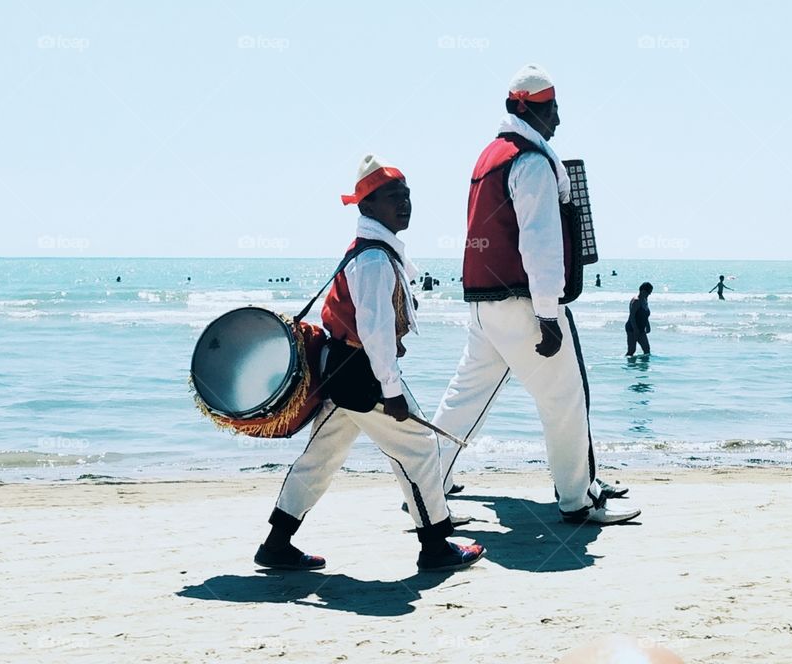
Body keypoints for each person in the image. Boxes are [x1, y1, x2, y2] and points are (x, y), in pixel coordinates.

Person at [430, 64, 639, 526]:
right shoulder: (532, 162)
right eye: (554, 111)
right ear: (533, 110)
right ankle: (578, 500)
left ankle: (427, 487)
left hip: (483, 304)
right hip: (522, 303)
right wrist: (547, 315)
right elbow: (539, 244)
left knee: (465, 398)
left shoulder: (488, 157)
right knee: (564, 398)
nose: (559, 121)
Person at [255, 154, 485, 573]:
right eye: (393, 197)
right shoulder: (376, 260)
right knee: (418, 451)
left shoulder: (370, 252)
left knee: (319, 459)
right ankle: (435, 545)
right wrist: (392, 393)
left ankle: (276, 544)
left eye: (407, 196)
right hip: (363, 376)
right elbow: (377, 335)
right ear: (367, 208)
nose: (405, 204)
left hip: (343, 372)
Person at [625, 282, 653, 356]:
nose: (649, 294)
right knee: (631, 351)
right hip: (632, 328)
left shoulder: (645, 300)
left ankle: (643, 367)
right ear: (643, 291)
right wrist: (635, 329)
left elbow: (645, 314)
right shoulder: (636, 301)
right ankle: (630, 366)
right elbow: (632, 316)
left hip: (641, 329)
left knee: (647, 349)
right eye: (649, 292)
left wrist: (648, 326)